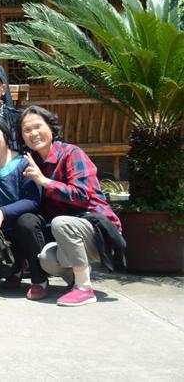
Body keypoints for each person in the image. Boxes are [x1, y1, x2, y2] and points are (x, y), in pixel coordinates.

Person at [12, 106, 124, 307]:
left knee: (61, 222)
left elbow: (82, 195)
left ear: (51, 128)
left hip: (95, 230)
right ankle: (73, 279)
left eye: (38, 126)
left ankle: (84, 288)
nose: (33, 133)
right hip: (65, 234)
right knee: (47, 258)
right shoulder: (32, 162)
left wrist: (45, 182)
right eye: (26, 130)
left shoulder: (71, 153)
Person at [0, 113, 41, 287]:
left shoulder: (24, 162)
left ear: (5, 133)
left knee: (27, 222)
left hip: (19, 225)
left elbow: (32, 200)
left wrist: (1, 212)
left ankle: (39, 280)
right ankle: (13, 269)